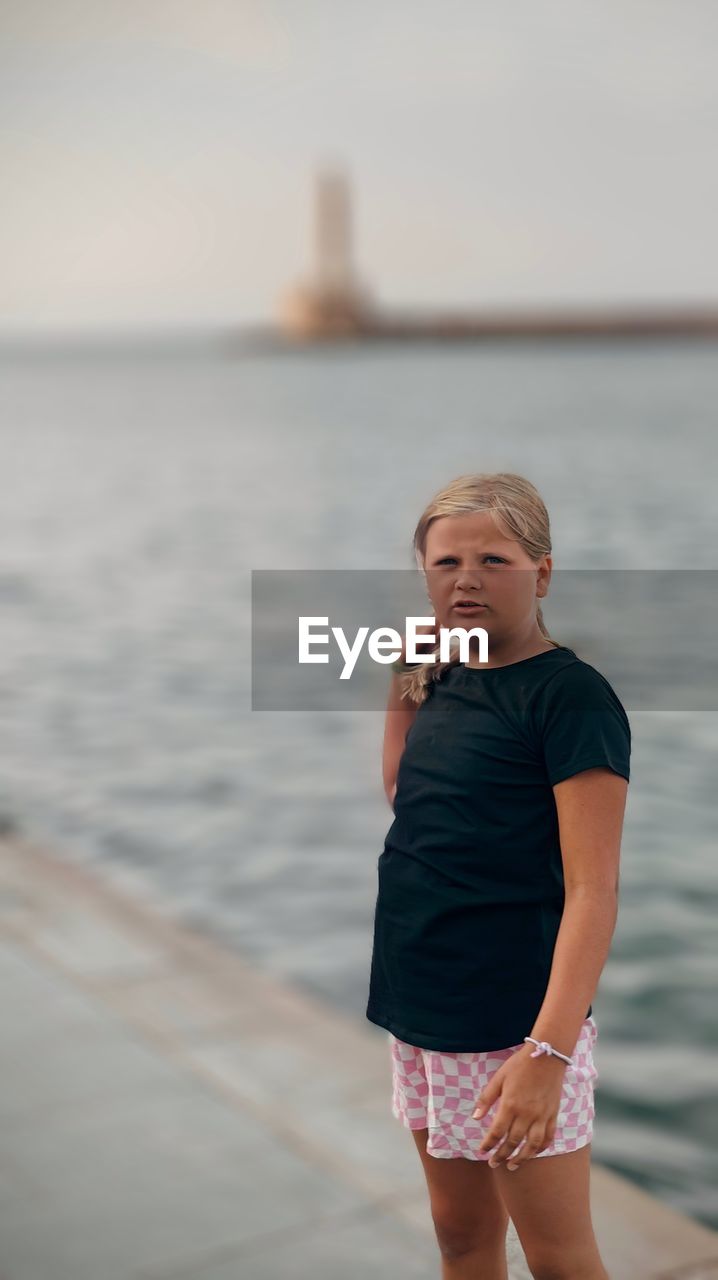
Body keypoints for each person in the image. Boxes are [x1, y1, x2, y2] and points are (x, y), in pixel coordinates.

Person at [365, 472, 630, 1280]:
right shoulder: (434, 667)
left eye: (495, 559)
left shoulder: (570, 697)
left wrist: (546, 1054)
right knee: (458, 1237)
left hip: (515, 1023)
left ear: (541, 573)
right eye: (447, 562)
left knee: (557, 1256)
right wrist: (408, 676)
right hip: (421, 1001)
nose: (468, 577)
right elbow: (406, 796)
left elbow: (593, 890)